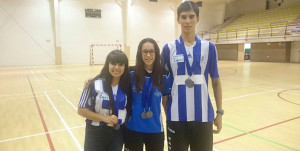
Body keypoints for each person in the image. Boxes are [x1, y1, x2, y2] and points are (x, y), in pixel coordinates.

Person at [161, 1, 223, 151]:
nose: (187, 21)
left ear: (197, 18)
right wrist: (168, 111)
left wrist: (219, 113)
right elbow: (164, 85)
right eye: (183, 17)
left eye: (191, 16)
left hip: (203, 118)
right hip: (176, 118)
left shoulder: (209, 48)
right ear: (178, 20)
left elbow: (215, 82)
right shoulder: (168, 49)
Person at [78, 50, 131, 151]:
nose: (116, 67)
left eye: (121, 64)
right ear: (107, 64)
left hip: (117, 134)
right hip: (95, 134)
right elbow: (81, 110)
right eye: (113, 63)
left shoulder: (128, 85)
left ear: (125, 66)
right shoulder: (94, 84)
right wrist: (104, 118)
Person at [124, 38, 170, 151]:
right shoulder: (131, 73)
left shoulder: (164, 75)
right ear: (140, 53)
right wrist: (93, 79)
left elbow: (165, 102)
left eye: (151, 51)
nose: (148, 55)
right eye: (145, 51)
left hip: (155, 129)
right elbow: (111, 77)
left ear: (156, 53)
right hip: (133, 128)